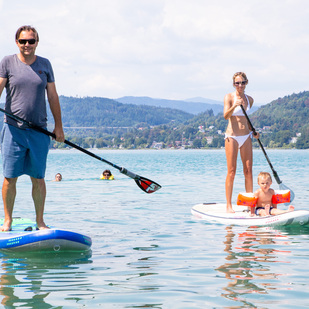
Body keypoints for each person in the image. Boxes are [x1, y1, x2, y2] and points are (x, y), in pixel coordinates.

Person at [0, 25, 65, 231]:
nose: (27, 45)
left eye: (31, 41)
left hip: (39, 131)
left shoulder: (45, 64)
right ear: (16, 42)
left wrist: (59, 127)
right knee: (10, 178)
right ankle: (7, 220)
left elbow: (52, 96)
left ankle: (40, 221)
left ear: (37, 42)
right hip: (13, 129)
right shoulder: (7, 63)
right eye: (22, 41)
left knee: (38, 178)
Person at [223, 72, 259, 213]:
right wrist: (234, 106)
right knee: (231, 172)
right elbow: (226, 116)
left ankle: (249, 205)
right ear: (234, 84)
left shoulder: (250, 99)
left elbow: (246, 119)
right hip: (232, 136)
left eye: (243, 82)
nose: (240, 85)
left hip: (246, 136)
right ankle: (228, 205)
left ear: (246, 83)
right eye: (237, 83)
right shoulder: (229, 97)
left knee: (248, 170)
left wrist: (254, 131)